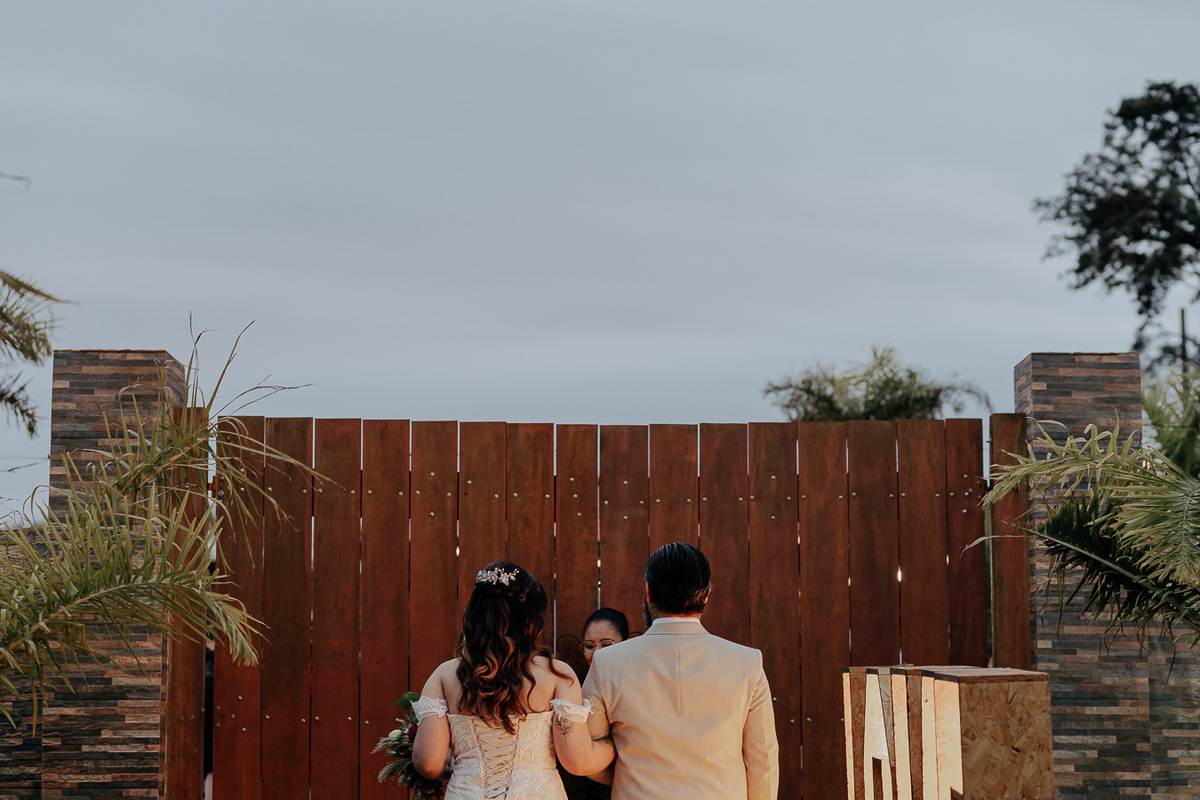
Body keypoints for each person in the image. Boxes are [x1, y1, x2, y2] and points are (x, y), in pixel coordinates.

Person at [582, 542, 779, 800]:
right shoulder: (747, 663)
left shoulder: (607, 663)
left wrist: (628, 774)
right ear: (707, 594)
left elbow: (587, 749)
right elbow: (762, 762)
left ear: (648, 592)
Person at [412, 560, 615, 799]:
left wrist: (455, 768)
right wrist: (613, 746)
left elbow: (427, 763)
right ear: (532, 619)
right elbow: (578, 762)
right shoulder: (556, 674)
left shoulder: (444, 675)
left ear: (473, 613)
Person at [578, 608, 628, 800]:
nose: (597, 653)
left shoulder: (637, 684)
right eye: (589, 646)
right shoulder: (574, 686)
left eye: (606, 645)